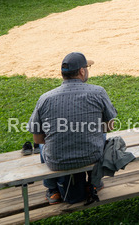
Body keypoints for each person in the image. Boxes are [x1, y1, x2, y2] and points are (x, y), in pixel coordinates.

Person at [29, 53, 117, 204]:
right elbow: (109, 127)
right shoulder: (98, 92)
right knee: (101, 134)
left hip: (57, 161)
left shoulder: (45, 98)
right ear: (82, 71)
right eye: (87, 67)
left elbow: (38, 139)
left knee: (44, 144)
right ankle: (94, 183)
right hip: (92, 156)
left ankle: (52, 190)